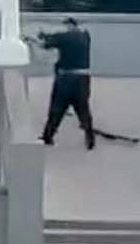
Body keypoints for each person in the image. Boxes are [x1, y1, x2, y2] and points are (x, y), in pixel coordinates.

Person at [35, 17, 95, 150]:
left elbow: (46, 44)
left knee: (57, 108)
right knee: (83, 109)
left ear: (68, 26)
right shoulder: (85, 37)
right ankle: (90, 138)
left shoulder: (64, 37)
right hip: (83, 78)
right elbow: (56, 38)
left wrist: (36, 39)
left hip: (65, 78)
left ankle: (48, 136)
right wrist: (45, 36)